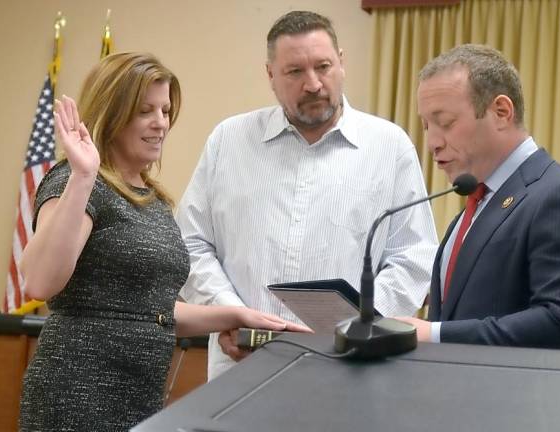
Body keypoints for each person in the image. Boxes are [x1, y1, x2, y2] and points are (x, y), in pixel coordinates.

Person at [18, 52, 307, 432]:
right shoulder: (75, 182)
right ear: (112, 112)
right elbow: (39, 281)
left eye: (166, 111)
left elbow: (151, 311)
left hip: (138, 396)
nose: (161, 124)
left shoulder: (150, 198)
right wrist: (84, 176)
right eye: (145, 111)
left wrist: (236, 314)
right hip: (77, 392)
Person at [176, 10, 439, 379]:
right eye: (295, 71)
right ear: (270, 75)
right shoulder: (229, 141)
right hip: (241, 364)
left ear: (342, 63)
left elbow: (412, 257)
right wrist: (229, 315)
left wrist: (356, 326)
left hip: (347, 369)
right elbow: (190, 243)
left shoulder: (388, 146)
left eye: (323, 66)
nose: (313, 83)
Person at [395, 44, 560, 349]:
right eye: (425, 127)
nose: (432, 143)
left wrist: (433, 335)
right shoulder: (468, 213)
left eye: (445, 123)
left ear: (501, 112)